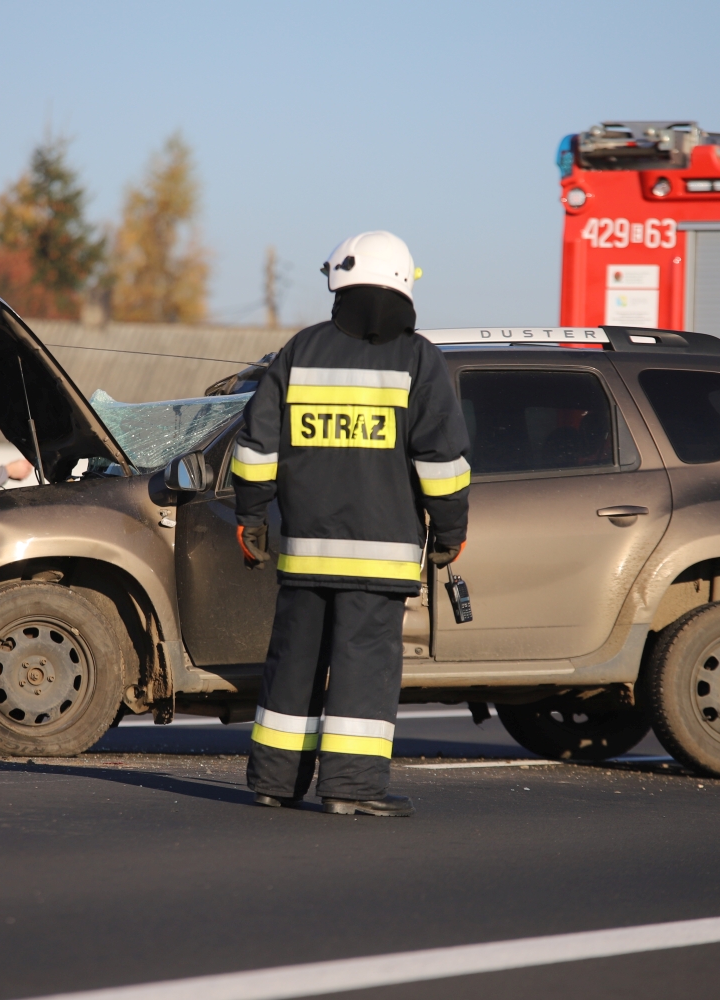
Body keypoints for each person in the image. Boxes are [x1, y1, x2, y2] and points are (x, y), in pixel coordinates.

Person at [231, 231, 471, 817]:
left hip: (307, 554)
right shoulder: (419, 359)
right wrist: (449, 531)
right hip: (379, 558)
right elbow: (440, 462)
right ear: (404, 284)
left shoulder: (299, 351)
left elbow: (256, 445)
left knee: (294, 664)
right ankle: (351, 790)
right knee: (364, 669)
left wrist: (251, 516)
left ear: (336, 278)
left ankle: (273, 782)